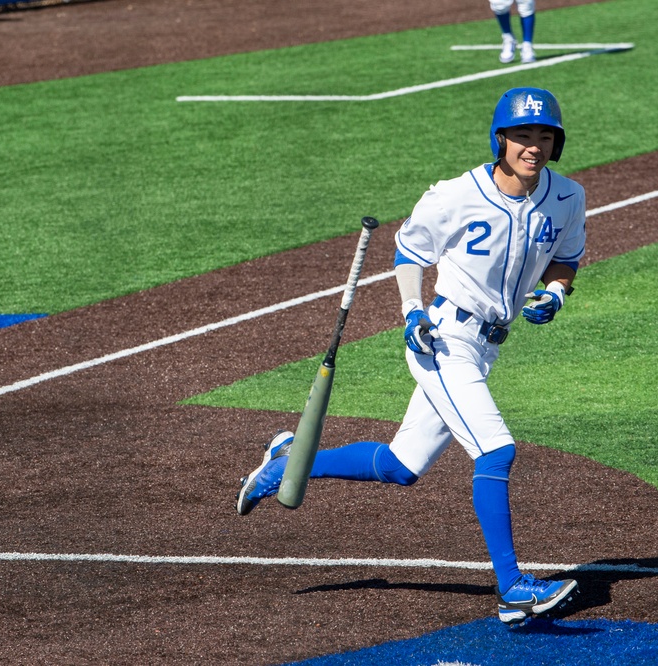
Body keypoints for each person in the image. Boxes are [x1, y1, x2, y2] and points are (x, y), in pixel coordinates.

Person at [235, 87, 586, 626]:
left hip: (487, 346)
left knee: (401, 467)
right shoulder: (456, 195)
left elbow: (566, 258)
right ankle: (514, 590)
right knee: (496, 451)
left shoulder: (567, 197)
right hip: (443, 340)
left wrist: (555, 294)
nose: (533, 147)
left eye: (544, 137)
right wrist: (411, 310)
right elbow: (410, 250)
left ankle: (285, 463)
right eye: (522, 136)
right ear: (500, 140)